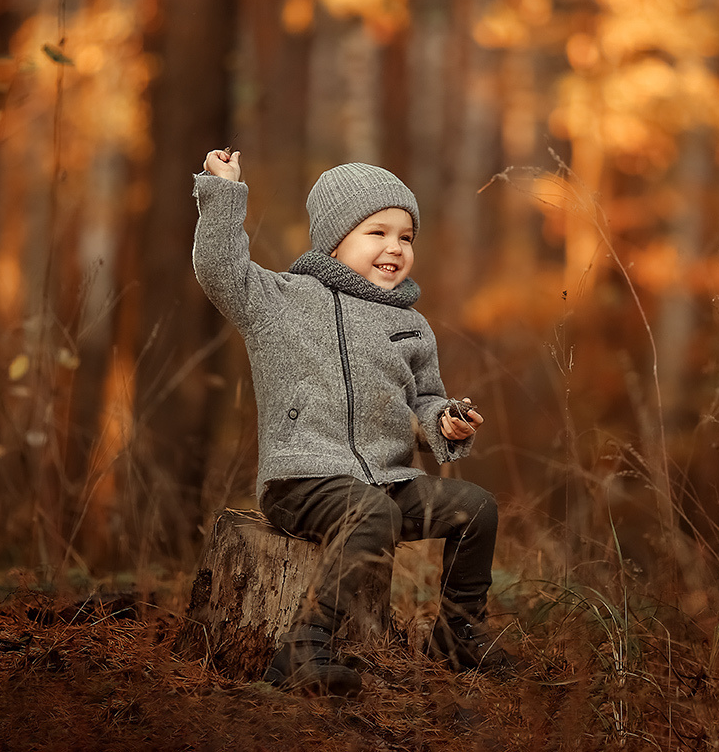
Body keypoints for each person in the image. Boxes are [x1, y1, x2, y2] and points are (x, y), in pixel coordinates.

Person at [192, 148, 505, 697]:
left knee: (476, 508)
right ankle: (304, 645)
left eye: (406, 236)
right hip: (303, 480)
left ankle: (458, 633)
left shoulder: (411, 326)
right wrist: (223, 191)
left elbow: (425, 399)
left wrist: (444, 421)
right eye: (377, 232)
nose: (395, 248)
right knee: (371, 514)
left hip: (386, 481)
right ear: (334, 241)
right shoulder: (281, 300)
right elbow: (219, 271)